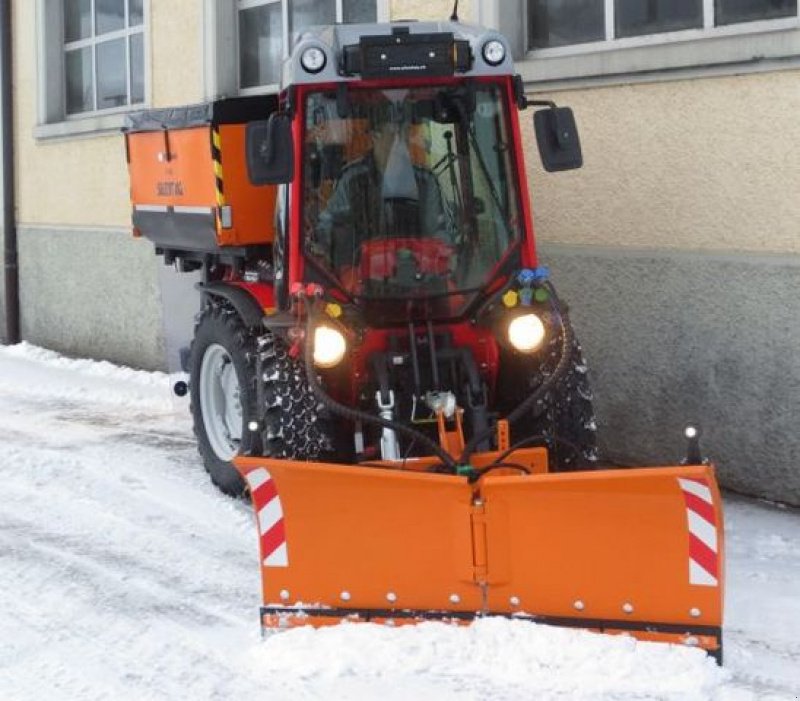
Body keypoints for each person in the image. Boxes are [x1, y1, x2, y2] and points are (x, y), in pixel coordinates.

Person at [315, 109, 454, 272]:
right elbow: (329, 228)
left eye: (404, 133)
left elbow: (440, 232)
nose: (400, 141)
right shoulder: (351, 180)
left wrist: (438, 251)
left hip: (418, 276)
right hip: (362, 281)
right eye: (393, 134)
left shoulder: (426, 181)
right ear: (375, 137)